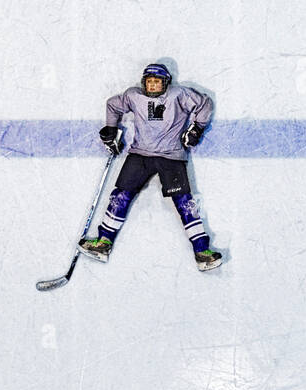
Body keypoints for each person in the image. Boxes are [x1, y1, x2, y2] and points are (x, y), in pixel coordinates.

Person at [80, 63, 223, 270]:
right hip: (140, 155)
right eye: (149, 81)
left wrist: (197, 129)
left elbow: (205, 104)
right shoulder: (133, 96)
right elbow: (112, 104)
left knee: (185, 202)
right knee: (120, 195)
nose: (153, 85)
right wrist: (111, 130)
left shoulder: (179, 94)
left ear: (166, 83)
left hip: (171, 157)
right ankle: (103, 243)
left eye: (157, 82)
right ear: (143, 82)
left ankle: (202, 251)